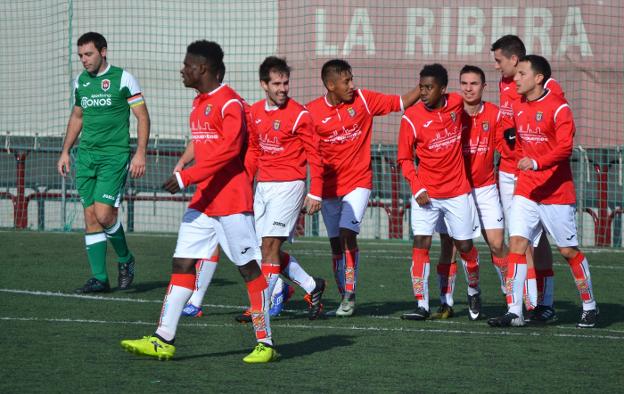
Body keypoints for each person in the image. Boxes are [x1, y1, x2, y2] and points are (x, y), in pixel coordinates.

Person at [120, 40, 277, 363]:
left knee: (249, 269)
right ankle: (163, 337)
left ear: (203, 69)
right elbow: (203, 145)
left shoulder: (230, 104)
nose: (183, 70)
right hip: (204, 200)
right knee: (182, 263)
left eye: (187, 65)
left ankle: (266, 344)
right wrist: (184, 166)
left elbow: (231, 151)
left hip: (232, 201)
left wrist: (185, 177)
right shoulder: (198, 104)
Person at [487, 55, 597, 328]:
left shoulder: (559, 109)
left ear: (538, 78)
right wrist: (524, 165)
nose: (516, 78)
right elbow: (521, 144)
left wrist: (536, 163)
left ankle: (590, 306)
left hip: (556, 193)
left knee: (568, 250)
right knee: (517, 245)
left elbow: (564, 148)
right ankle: (515, 311)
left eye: (522, 73)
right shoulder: (519, 106)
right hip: (526, 189)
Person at [306, 59, 420, 316]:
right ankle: (343, 293)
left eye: (351, 79)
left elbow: (399, 103)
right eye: (346, 81)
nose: (351, 85)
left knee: (348, 234)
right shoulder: (311, 112)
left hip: (358, 182)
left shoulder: (364, 100)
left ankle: (350, 293)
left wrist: (421, 88)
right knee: (335, 244)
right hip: (328, 189)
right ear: (330, 85)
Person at [56, 32, 150, 294]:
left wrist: (140, 153)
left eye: (89, 54)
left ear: (103, 51)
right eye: (81, 56)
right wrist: (65, 151)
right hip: (86, 157)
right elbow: (77, 117)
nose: (84, 60)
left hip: (114, 156)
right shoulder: (80, 83)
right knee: (90, 217)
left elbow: (142, 117)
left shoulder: (123, 78)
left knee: (104, 214)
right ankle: (99, 277)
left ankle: (125, 259)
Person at [239, 56, 326, 321]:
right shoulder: (254, 113)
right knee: (259, 249)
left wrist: (316, 191)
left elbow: (315, 155)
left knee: (269, 245)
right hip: (263, 187)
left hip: (290, 186)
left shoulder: (300, 115)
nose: (283, 89)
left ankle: (262, 305)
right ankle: (312, 287)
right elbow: (254, 150)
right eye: (277, 83)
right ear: (263, 84)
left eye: (286, 83)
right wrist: (244, 183)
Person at [397, 64, 481, 321]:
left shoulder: (456, 103)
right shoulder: (411, 117)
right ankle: (422, 304)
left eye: (429, 88)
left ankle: (474, 290)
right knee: (421, 243)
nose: (423, 92)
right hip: (426, 194)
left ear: (443, 90)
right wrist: (417, 186)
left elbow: (479, 104)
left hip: (457, 192)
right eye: (421, 86)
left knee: (464, 246)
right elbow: (404, 158)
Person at [491, 35, 565, 322]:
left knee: (542, 241)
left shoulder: (547, 87)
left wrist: (536, 158)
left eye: (499, 61)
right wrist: (507, 134)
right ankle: (522, 306)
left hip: (536, 174)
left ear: (514, 60)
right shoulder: (505, 84)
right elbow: (508, 120)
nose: (497, 67)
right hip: (509, 171)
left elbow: (556, 126)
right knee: (519, 238)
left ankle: (542, 302)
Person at [433, 65, 507, 320]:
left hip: (486, 189)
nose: (468, 88)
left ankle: (511, 299)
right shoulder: (451, 114)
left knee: (497, 244)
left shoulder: (495, 114)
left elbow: (505, 149)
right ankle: (447, 301)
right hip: (455, 189)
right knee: (450, 247)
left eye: (474, 83)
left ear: (484, 87)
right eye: (463, 83)